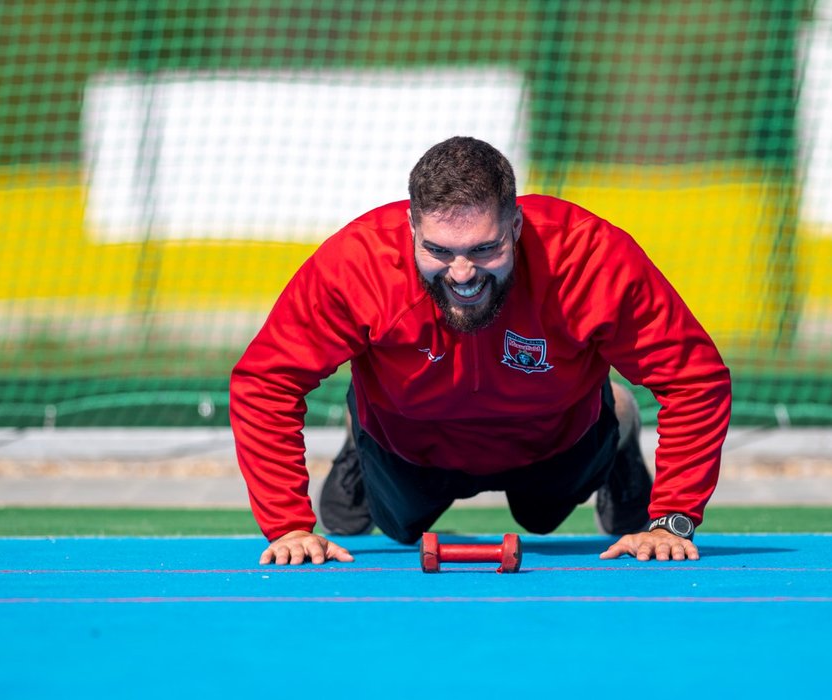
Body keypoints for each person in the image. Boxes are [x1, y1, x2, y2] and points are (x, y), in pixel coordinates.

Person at [230, 136, 731, 566]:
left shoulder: (589, 256)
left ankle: (619, 426)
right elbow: (266, 381)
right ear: (411, 228)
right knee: (396, 528)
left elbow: (695, 378)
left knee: (542, 519)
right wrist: (288, 525)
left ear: (515, 226)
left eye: (485, 249)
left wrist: (673, 519)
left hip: (552, 438)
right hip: (408, 441)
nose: (463, 274)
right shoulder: (357, 263)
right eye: (439, 251)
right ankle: (356, 435)